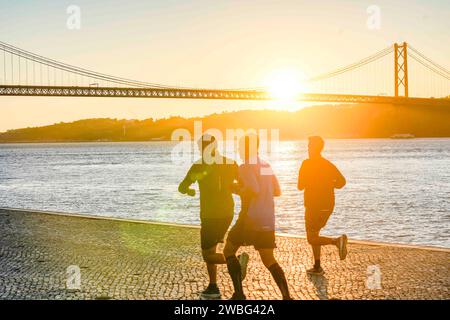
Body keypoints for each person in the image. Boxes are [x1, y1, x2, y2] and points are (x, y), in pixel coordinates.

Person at [223, 133, 292, 300]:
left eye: (240, 147)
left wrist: (235, 189)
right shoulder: (266, 165)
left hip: (250, 218)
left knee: (228, 250)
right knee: (269, 259)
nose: (238, 150)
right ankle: (287, 297)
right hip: (268, 219)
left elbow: (253, 189)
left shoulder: (245, 166)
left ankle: (239, 294)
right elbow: (277, 191)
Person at [178, 134, 239, 300]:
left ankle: (236, 262)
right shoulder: (231, 163)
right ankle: (213, 286)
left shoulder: (198, 166)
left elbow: (182, 188)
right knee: (212, 250)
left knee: (207, 254)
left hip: (210, 215)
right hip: (228, 212)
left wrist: (190, 191)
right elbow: (241, 185)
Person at [297, 136, 348, 276]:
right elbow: (342, 182)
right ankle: (317, 266)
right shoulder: (327, 164)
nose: (307, 148)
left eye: (309, 146)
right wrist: (329, 183)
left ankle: (337, 241)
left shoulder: (306, 164)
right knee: (315, 234)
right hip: (328, 205)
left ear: (313, 147)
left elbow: (300, 186)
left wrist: (311, 182)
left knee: (311, 238)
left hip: (313, 206)